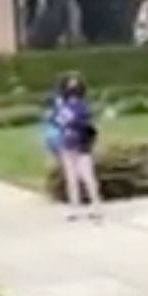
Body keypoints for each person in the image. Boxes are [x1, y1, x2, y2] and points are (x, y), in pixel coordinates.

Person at [50, 73, 103, 220]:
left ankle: (88, 207)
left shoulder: (73, 106)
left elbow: (58, 121)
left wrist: (63, 117)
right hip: (73, 144)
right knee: (77, 177)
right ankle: (85, 207)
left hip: (77, 144)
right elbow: (55, 120)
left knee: (81, 176)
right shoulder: (79, 105)